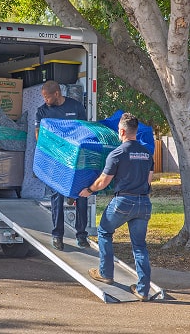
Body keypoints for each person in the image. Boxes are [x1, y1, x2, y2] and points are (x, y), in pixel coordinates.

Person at [79, 112, 154, 301]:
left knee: (104, 231)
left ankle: (105, 273)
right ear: (135, 131)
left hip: (124, 202)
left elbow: (103, 181)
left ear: (121, 131)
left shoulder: (118, 154)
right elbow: (149, 180)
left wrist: (88, 190)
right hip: (144, 203)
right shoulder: (147, 153)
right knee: (139, 246)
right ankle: (143, 290)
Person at [35, 80, 90, 250]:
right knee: (57, 196)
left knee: (81, 195)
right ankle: (57, 235)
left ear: (57, 94)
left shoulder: (76, 107)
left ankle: (81, 235)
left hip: (75, 159)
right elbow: (39, 136)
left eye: (47, 96)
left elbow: (84, 130)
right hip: (56, 160)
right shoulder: (42, 111)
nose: (45, 100)